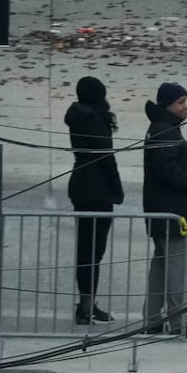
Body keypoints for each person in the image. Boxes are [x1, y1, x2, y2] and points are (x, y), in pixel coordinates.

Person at [141, 82, 187, 335]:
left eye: (185, 101)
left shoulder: (163, 128)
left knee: (161, 266)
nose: (185, 107)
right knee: (177, 270)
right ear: (167, 104)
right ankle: (179, 323)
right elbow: (167, 170)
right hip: (173, 215)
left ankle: (153, 319)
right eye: (180, 102)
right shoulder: (164, 131)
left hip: (164, 213)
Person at [64, 75, 123, 324]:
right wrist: (117, 189)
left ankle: (87, 303)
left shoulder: (77, 116)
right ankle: (86, 306)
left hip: (81, 185)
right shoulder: (96, 120)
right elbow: (106, 159)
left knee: (85, 250)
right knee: (93, 252)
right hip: (97, 190)